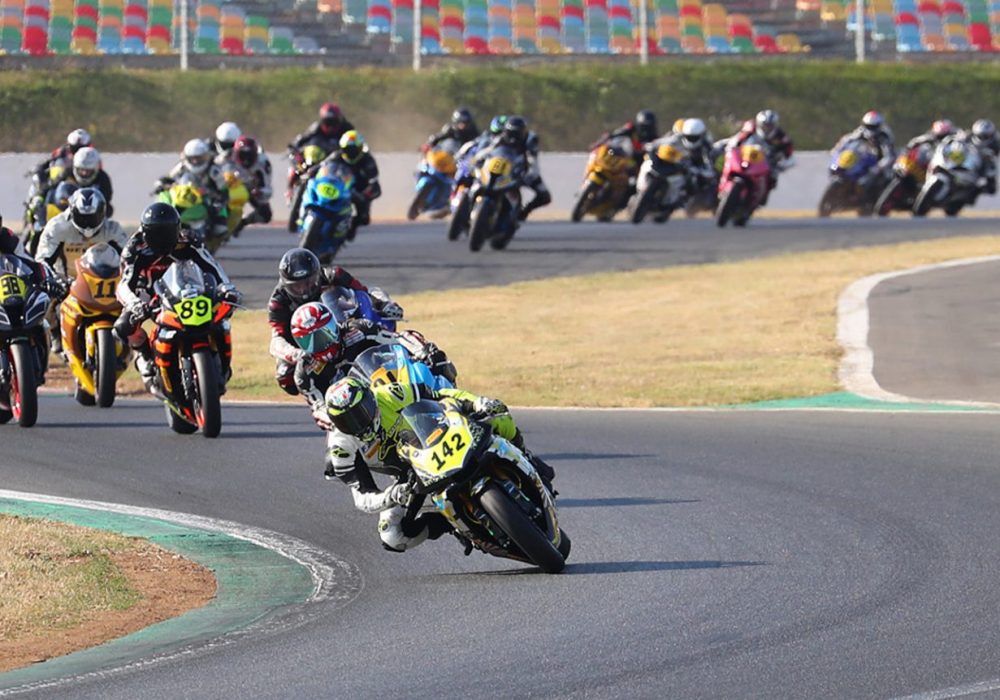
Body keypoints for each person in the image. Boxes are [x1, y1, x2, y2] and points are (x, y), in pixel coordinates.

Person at [322, 375, 556, 553]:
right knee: (392, 535)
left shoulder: (389, 394)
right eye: (347, 421)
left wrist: (477, 403)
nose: (358, 423)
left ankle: (526, 455)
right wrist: (392, 495)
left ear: (371, 398)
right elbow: (362, 498)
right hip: (407, 478)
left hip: (436, 437)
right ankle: (449, 524)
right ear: (335, 423)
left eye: (360, 412)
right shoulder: (341, 447)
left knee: (497, 414)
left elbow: (437, 393)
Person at [114, 202, 239, 394]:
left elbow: (211, 266)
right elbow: (124, 284)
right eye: (156, 233)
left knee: (222, 314)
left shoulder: (189, 240)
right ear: (146, 232)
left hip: (187, 287)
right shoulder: (135, 248)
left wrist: (226, 287)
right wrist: (135, 304)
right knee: (124, 326)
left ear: (178, 228)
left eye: (167, 232)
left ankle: (221, 362)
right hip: (148, 291)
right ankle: (145, 357)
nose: (162, 238)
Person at [268, 247, 401, 397]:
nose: (304, 291)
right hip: (305, 341)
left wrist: (383, 304)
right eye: (296, 286)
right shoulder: (277, 302)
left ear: (317, 275)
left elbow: (363, 291)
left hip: (337, 324)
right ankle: (323, 396)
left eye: (309, 282)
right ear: (286, 284)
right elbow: (276, 340)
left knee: (378, 324)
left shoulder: (333, 274)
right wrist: (296, 354)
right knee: (284, 375)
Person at [34, 188, 129, 354]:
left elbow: (128, 259)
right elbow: (42, 260)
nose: (88, 223)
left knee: (132, 306)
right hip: (67, 280)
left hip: (104, 281)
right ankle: (56, 332)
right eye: (83, 217)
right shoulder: (57, 227)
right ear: (72, 212)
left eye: (92, 217)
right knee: (43, 300)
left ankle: (129, 342)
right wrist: (53, 280)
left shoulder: (113, 229)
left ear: (102, 213)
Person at [477, 116, 551, 221]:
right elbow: (488, 150)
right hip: (500, 167)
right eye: (509, 133)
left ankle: (525, 211)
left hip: (521, 170)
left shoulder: (529, 141)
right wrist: (476, 160)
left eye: (516, 133)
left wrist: (530, 175)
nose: (512, 137)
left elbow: (533, 162)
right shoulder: (501, 138)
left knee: (545, 196)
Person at [155, 139, 230, 241]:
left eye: (199, 158)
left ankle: (213, 231)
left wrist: (218, 199)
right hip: (183, 197)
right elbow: (169, 177)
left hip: (205, 199)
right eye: (192, 159)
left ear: (206, 156)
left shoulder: (213, 170)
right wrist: (161, 184)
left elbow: (223, 189)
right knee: (164, 200)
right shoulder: (182, 167)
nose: (195, 162)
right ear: (186, 158)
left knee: (220, 228)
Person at [287, 103, 356, 200]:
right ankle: (290, 189)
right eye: (328, 122)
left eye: (334, 122)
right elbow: (300, 141)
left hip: (339, 162)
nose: (331, 126)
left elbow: (357, 143)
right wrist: (294, 150)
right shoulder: (316, 128)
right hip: (317, 159)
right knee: (297, 165)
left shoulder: (347, 129)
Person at [217, 135, 274, 237]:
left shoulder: (263, 163)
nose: (246, 159)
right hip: (229, 187)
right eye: (242, 155)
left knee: (266, 214)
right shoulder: (225, 158)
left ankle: (242, 223)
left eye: (250, 155)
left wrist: (260, 191)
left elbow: (268, 189)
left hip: (250, 189)